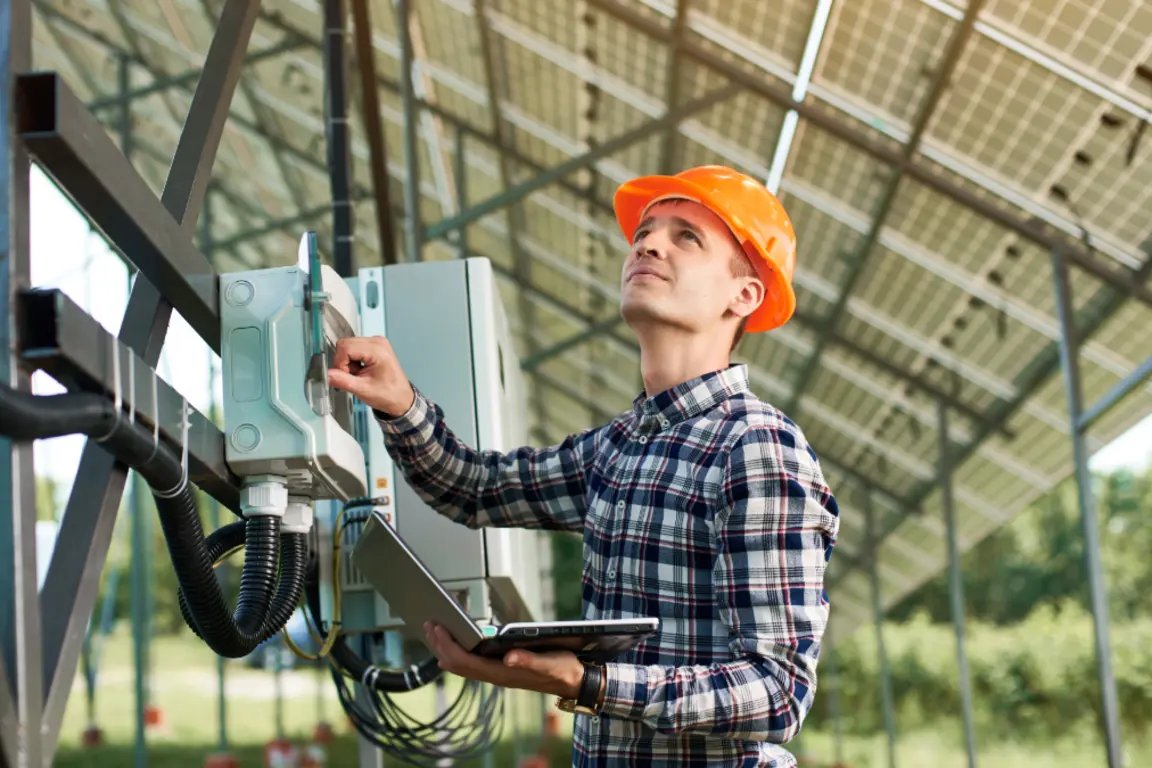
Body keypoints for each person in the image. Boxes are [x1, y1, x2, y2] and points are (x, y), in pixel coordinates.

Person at [328, 165, 840, 767]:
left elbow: (779, 692)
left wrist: (589, 684)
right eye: (645, 233)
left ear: (744, 295)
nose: (647, 244)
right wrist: (399, 402)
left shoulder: (758, 449)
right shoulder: (618, 447)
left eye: (687, 237)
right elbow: (473, 488)